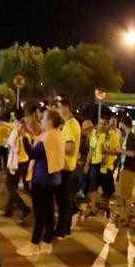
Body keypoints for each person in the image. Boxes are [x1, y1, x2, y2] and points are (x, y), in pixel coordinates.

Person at [18, 108, 64, 256]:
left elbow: (32, 153)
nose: (41, 121)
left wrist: (24, 137)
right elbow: (42, 144)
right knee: (49, 211)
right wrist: (32, 134)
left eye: (44, 119)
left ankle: (34, 244)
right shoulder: (57, 134)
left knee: (40, 214)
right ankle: (46, 243)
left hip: (42, 179)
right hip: (53, 179)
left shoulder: (48, 137)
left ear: (50, 121)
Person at [54, 99, 80, 238]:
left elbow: (70, 148)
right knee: (66, 200)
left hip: (66, 166)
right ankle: (66, 228)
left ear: (67, 108)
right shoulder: (71, 124)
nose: (58, 111)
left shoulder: (70, 125)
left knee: (63, 200)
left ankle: (62, 229)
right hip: (67, 166)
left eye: (59, 108)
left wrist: (55, 146)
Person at [117, 116, 135, 227]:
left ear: (123, 124)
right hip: (126, 168)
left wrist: (121, 150)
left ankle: (125, 217)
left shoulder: (131, 136)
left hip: (129, 169)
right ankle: (122, 215)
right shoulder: (128, 136)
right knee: (123, 194)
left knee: (127, 195)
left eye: (120, 124)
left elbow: (132, 153)